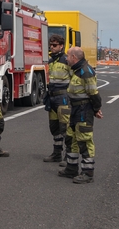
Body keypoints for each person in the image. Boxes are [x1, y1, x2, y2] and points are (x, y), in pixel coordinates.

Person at [58, 47, 102, 184]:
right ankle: (71, 169)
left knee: (84, 140)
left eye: (68, 56)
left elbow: (93, 93)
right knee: (71, 139)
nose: (66, 58)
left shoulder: (85, 71)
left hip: (83, 110)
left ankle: (88, 173)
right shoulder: (76, 70)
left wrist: (96, 109)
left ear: (74, 57)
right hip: (75, 109)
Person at [43, 34, 72, 165]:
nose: (52, 47)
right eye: (51, 45)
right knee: (54, 127)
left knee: (65, 127)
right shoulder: (51, 61)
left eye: (54, 45)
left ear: (61, 46)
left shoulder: (66, 60)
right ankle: (57, 153)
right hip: (52, 97)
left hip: (63, 97)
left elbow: (74, 79)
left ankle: (69, 156)